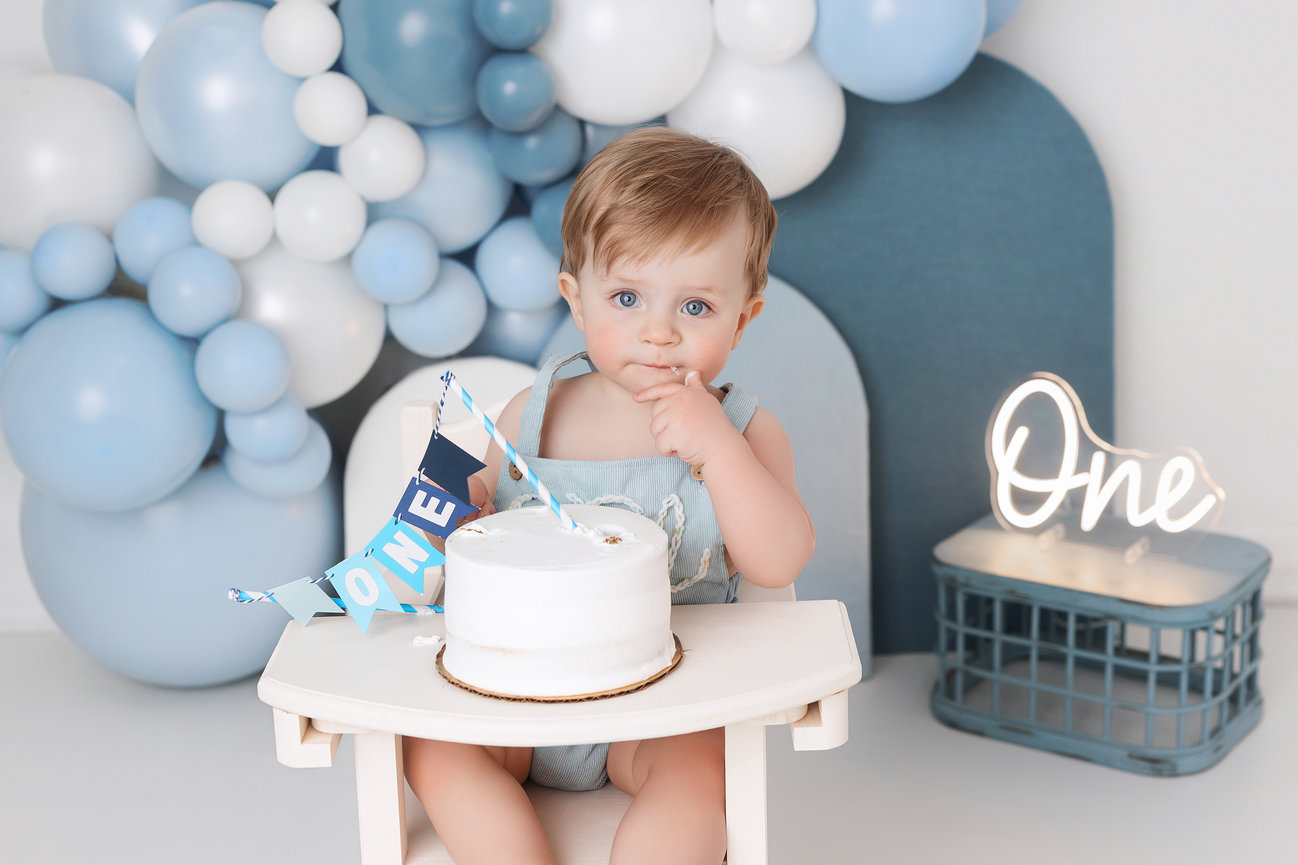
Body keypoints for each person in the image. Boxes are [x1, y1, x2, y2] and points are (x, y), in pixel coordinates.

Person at [404, 126, 816, 865]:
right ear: (576, 296)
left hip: (664, 705)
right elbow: (461, 520)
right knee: (432, 747)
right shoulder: (532, 414)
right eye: (627, 297)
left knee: (701, 771)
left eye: (695, 308)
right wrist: (458, 510)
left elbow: (779, 560)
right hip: (517, 696)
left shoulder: (748, 431)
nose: (657, 333)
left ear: (743, 317)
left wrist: (719, 447)